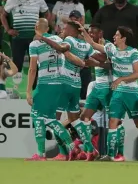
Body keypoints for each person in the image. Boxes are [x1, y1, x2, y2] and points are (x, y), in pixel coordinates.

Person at [81, 25, 138, 161]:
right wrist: (82, 30)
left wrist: (121, 78)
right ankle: (110, 155)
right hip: (117, 92)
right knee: (113, 121)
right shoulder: (111, 50)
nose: (114, 37)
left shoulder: (133, 52)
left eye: (116, 35)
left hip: (131, 93)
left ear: (123, 38)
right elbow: (92, 43)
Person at [36, 20, 98, 158]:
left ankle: (65, 152)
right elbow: (92, 61)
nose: (64, 30)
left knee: (54, 120)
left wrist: (43, 38)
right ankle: (90, 149)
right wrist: (84, 62)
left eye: (66, 28)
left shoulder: (70, 40)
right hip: (76, 83)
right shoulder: (87, 46)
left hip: (63, 83)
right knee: (74, 120)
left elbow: (62, 48)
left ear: (73, 31)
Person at [24, 18, 76, 161]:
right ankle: (71, 148)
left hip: (45, 84)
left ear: (36, 27)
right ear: (47, 29)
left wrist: (28, 91)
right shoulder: (58, 40)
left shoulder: (34, 44)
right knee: (50, 119)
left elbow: (32, 69)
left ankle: (41, 154)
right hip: (60, 83)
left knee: (37, 116)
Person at [1, 0, 49, 73]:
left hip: (34, 38)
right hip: (18, 37)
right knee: (16, 65)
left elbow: (47, 14)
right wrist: (8, 29)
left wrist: (42, 31)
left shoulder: (39, 0)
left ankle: (34, 86)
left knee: (35, 65)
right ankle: (17, 87)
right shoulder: (13, 0)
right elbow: (3, 15)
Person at [78, 23, 111, 161]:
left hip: (110, 86)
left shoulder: (109, 46)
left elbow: (111, 65)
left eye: (93, 32)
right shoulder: (90, 47)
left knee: (112, 122)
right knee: (84, 117)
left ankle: (113, 153)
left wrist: (95, 63)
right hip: (97, 86)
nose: (90, 35)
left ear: (100, 34)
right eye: (89, 32)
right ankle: (91, 150)